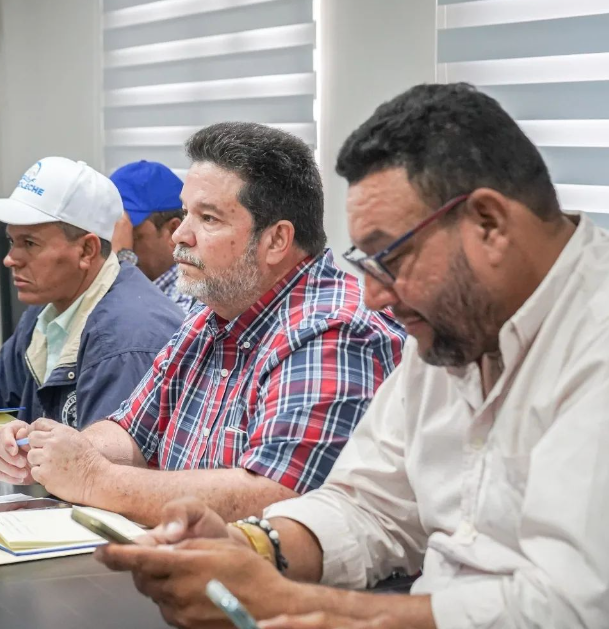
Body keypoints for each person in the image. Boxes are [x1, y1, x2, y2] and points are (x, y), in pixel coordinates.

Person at [98, 83, 609, 629]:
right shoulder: (456, 324)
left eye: (392, 258)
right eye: (365, 261)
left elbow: (571, 607)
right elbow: (368, 504)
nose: (373, 295)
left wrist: (294, 602)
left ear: (488, 223)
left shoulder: (588, 341)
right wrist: (249, 546)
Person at [1, 124, 405, 525]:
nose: (180, 235)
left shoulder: (334, 330)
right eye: (185, 214)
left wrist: (94, 478)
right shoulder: (210, 317)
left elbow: (277, 495)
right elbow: (132, 432)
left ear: (277, 240)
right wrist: (50, 450)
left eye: (208, 218)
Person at [0, 156, 183, 444]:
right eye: (12, 241)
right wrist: (7, 433)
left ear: (87, 250)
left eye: (30, 243)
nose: (10, 259)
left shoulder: (128, 339)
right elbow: (5, 402)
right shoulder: (44, 314)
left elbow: (99, 467)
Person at [110, 160, 193, 314]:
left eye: (133, 236)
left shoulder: (193, 296)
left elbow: (133, 323)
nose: (115, 247)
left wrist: (123, 262)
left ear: (173, 230)